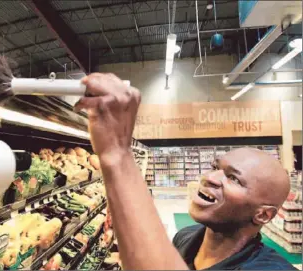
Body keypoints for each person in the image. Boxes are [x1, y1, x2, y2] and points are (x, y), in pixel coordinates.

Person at [74, 73, 296, 270]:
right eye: (215, 168)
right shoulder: (185, 237)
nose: (210, 178)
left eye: (234, 179)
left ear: (263, 215)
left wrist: (118, 155)